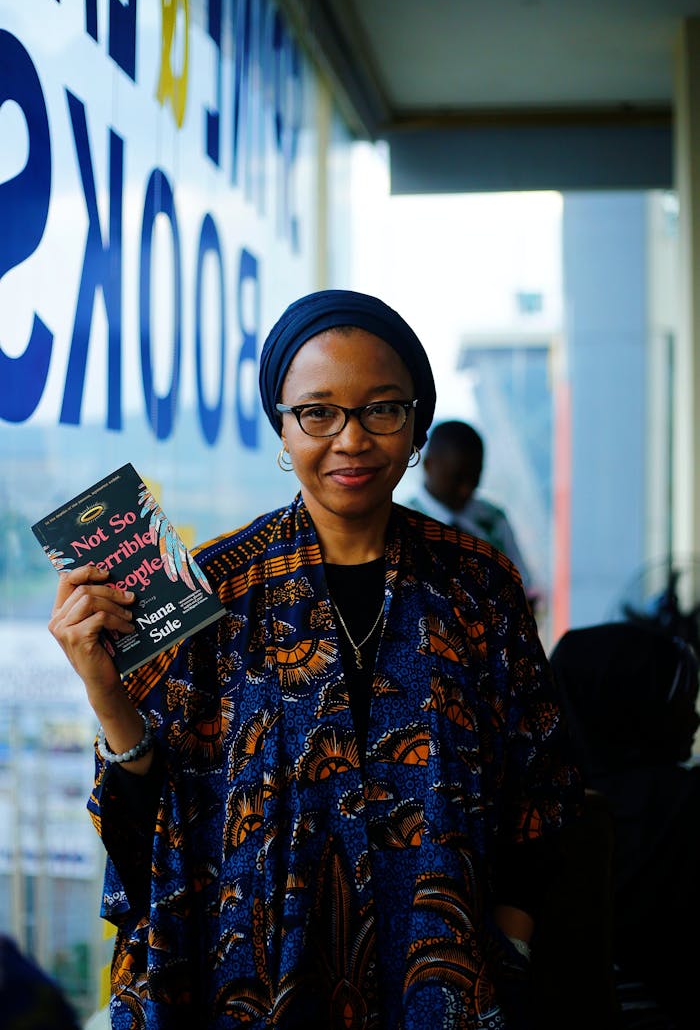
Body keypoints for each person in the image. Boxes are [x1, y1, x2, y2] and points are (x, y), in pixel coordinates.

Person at [48, 289, 582, 1030]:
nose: (352, 439)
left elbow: (543, 788)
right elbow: (148, 836)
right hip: (253, 989)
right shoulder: (215, 589)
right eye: (318, 412)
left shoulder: (478, 586)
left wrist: (510, 945)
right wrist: (107, 694)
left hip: (446, 989)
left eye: (382, 408)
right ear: (282, 425)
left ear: (416, 422)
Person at [549, 621, 700, 1030]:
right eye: (680, 700)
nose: (694, 719)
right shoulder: (683, 806)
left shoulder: (533, 811)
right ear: (637, 708)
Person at [403, 421, 537, 604]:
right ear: (428, 465)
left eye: (474, 478)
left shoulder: (493, 519)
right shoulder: (401, 527)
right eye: (456, 478)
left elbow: (523, 588)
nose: (465, 489)